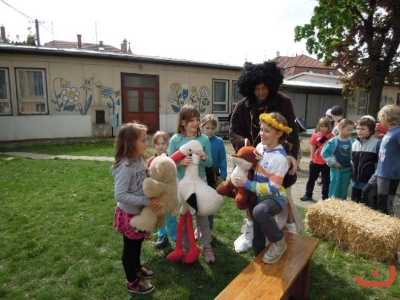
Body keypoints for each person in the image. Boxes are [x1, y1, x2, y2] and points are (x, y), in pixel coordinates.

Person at [229, 61, 304, 253]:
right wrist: (244, 145)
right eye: (257, 88)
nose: (261, 92)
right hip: (252, 161)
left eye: (265, 87)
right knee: (251, 199)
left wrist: (292, 155)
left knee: (281, 196)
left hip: (278, 159)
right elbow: (233, 131)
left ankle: (290, 231)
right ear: (250, 87)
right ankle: (251, 233)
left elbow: (292, 131)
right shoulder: (241, 106)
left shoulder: (283, 102)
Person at [235, 112, 291, 264]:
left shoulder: (279, 159)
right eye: (261, 129)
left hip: (275, 199)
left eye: (267, 131)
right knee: (257, 228)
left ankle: (279, 242)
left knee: (259, 211)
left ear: (279, 133)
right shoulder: (261, 146)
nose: (262, 133)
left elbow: (273, 188)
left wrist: (247, 185)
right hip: (260, 197)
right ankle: (258, 255)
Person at [111, 122, 157, 294]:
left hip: (139, 212)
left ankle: (137, 268)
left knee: (138, 244)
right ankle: (132, 281)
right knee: (130, 249)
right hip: (128, 214)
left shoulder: (141, 159)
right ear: (130, 143)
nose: (147, 143)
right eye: (143, 140)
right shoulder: (125, 167)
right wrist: (145, 201)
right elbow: (120, 195)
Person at [169, 104, 216, 263]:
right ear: (183, 122)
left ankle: (207, 248)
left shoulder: (203, 139)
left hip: (200, 183)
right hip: (182, 184)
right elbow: (169, 163)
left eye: (197, 119)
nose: (195, 123)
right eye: (191, 120)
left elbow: (210, 163)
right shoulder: (175, 140)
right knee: (184, 216)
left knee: (202, 217)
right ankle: (185, 248)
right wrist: (180, 162)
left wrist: (204, 158)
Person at [148, 131, 177, 248]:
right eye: (157, 144)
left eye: (163, 143)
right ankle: (162, 236)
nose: (160, 146)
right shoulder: (150, 161)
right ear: (154, 145)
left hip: (169, 195)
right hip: (157, 195)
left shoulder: (171, 160)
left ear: (167, 145)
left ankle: (175, 236)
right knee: (159, 216)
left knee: (171, 217)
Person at [199, 114, 227, 237]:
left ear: (216, 128)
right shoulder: (198, 140)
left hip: (212, 176)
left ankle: (209, 228)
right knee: (198, 202)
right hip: (199, 175)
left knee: (209, 202)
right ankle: (199, 227)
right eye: (207, 128)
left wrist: (223, 174)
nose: (209, 131)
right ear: (202, 127)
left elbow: (223, 159)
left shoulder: (219, 142)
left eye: (212, 128)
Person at [373, 104, 400, 215]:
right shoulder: (389, 132)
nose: (380, 121)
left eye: (381, 118)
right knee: (370, 194)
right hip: (381, 172)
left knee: (385, 203)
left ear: (386, 117)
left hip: (390, 174)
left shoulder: (398, 132)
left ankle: (391, 229)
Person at [300, 117, 334, 201]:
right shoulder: (315, 135)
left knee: (326, 181)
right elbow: (313, 147)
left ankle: (325, 197)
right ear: (318, 126)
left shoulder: (332, 136)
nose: (323, 128)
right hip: (316, 161)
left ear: (329, 127)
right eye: (321, 126)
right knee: (311, 179)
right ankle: (308, 194)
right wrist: (311, 159)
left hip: (327, 163)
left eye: (325, 126)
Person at [322, 119, 355, 200]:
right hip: (336, 169)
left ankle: (342, 204)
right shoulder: (333, 141)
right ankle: (332, 203)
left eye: (352, 130)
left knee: (344, 188)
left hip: (347, 169)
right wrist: (334, 162)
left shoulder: (352, 141)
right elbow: (325, 153)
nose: (350, 132)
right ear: (340, 128)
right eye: (348, 130)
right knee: (335, 186)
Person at [350, 116, 381, 203]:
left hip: (369, 183)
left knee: (367, 206)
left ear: (371, 130)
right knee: (354, 205)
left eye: (363, 129)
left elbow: (380, 164)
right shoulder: (355, 144)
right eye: (358, 128)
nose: (359, 131)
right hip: (355, 182)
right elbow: (352, 162)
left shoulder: (377, 144)